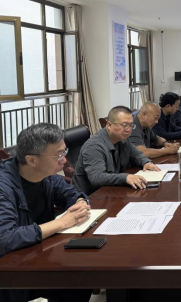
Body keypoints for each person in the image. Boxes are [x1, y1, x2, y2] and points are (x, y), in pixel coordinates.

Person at [0, 124, 93, 302]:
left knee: (82, 275)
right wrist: (61, 223)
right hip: (9, 267)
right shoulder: (3, 186)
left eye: (64, 152)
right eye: (58, 155)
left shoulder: (47, 176)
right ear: (32, 160)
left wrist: (80, 202)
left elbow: (69, 193)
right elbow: (4, 238)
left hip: (37, 254)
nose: (64, 161)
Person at [72, 106, 161, 195]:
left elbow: (137, 155)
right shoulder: (94, 146)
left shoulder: (123, 139)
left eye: (131, 125)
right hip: (87, 197)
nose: (128, 129)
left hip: (111, 191)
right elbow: (97, 178)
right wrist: (126, 178)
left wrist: (146, 162)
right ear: (109, 125)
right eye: (124, 125)